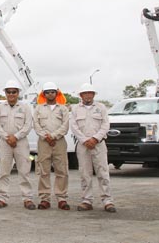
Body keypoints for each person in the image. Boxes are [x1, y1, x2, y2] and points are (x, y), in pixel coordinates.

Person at [70, 83, 116, 213]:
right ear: (81, 95)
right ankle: (87, 200)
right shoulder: (75, 109)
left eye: (90, 93)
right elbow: (74, 126)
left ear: (94, 94)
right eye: (85, 93)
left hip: (99, 144)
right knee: (85, 173)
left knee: (103, 172)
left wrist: (95, 138)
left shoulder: (101, 107)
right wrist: (85, 140)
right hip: (83, 145)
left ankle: (107, 200)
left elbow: (105, 125)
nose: (88, 95)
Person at [0, 80, 36, 210]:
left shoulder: (25, 108)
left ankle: (27, 198)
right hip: (4, 142)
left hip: (21, 142)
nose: (11, 94)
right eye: (9, 91)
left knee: (24, 171)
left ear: (18, 93)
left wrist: (16, 137)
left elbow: (28, 125)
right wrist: (7, 137)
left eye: (14, 91)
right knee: (4, 171)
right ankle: (2, 198)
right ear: (5, 93)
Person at [33, 81, 71, 210]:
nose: (50, 94)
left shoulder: (63, 109)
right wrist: (46, 137)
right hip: (43, 142)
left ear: (57, 93)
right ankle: (44, 199)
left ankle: (62, 198)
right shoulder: (38, 108)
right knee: (44, 171)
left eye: (52, 92)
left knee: (62, 170)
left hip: (59, 142)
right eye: (47, 92)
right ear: (43, 94)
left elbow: (65, 126)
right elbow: (36, 125)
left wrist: (53, 136)